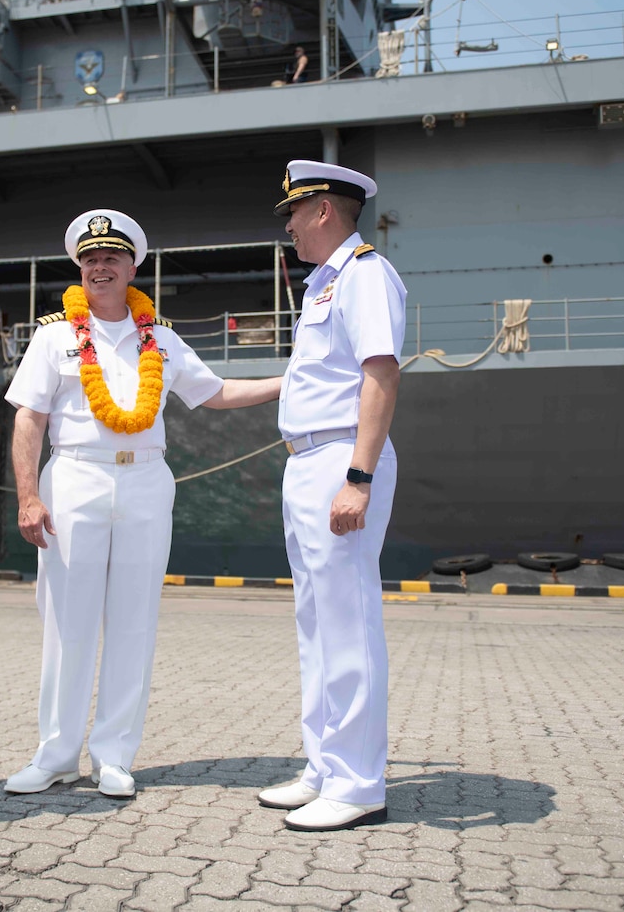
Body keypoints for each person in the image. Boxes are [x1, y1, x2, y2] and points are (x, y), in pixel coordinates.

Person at [4, 210, 280, 799]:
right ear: (80, 267)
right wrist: (28, 496)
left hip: (147, 482)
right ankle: (54, 755)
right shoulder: (54, 335)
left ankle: (114, 756)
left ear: (133, 267)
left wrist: (291, 378)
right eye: (90, 259)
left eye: (111, 258)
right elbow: (29, 416)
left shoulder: (163, 337)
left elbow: (217, 392)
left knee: (134, 622)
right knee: (66, 623)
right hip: (74, 477)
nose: (99, 267)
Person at [259, 162, 406, 832]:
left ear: (323, 210)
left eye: (294, 212)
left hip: (342, 458)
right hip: (307, 458)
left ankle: (358, 782)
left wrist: (360, 476)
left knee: (348, 621)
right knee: (315, 623)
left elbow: (380, 371)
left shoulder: (365, 274)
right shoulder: (323, 282)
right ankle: (323, 765)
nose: (287, 224)